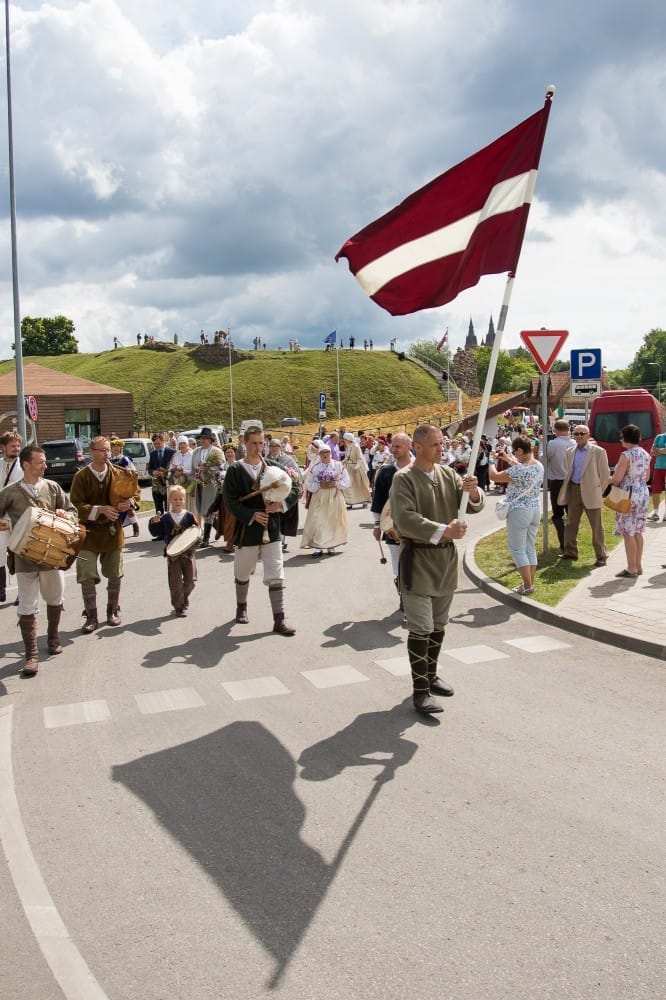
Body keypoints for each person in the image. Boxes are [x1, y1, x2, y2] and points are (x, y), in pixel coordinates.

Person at [389, 424, 484, 715]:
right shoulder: (403, 479)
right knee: (421, 627)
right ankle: (420, 691)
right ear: (417, 447)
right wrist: (445, 530)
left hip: (445, 562)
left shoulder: (448, 474)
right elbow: (405, 520)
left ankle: (430, 675)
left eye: (442, 443)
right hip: (417, 561)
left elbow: (472, 505)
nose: (441, 448)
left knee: (439, 625)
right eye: (434, 444)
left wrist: (475, 491)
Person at [0, 445, 78, 674]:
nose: (45, 465)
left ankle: (53, 639)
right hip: (24, 557)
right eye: (40, 462)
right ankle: (31, 655)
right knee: (26, 603)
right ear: (26, 464)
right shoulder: (10, 492)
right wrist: (8, 526)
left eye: (44, 462)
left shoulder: (52, 488)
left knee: (55, 598)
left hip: (52, 555)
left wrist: (66, 514)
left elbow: (72, 511)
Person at [222, 425, 300, 635]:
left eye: (261, 443)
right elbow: (229, 501)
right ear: (245, 444)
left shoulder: (272, 467)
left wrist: (280, 505)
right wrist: (251, 515)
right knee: (243, 570)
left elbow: (294, 487)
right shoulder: (235, 470)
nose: (258, 447)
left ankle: (279, 620)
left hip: (271, 527)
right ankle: (241, 606)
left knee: (276, 571)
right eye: (254, 443)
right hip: (247, 529)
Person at [70, 436, 141, 632]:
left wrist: (130, 504)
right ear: (91, 451)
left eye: (108, 450)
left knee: (115, 573)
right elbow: (75, 506)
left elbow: (135, 493)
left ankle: (112, 611)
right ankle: (91, 616)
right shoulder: (81, 476)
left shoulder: (119, 473)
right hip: (87, 534)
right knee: (86, 574)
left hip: (112, 532)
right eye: (102, 450)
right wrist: (100, 509)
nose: (106, 454)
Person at [489, 435, 544, 595]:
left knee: (518, 550)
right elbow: (519, 467)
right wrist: (508, 458)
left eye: (515, 451)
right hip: (534, 508)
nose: (515, 454)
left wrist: (492, 461)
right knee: (529, 548)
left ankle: (527, 586)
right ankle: (529, 584)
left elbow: (494, 476)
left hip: (519, 511)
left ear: (520, 450)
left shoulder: (519, 469)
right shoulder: (538, 465)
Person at [557, 425, 610, 567]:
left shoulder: (598, 452)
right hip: (574, 490)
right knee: (571, 523)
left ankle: (601, 555)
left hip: (592, 492)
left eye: (582, 433)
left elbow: (605, 476)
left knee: (596, 526)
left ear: (588, 435)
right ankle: (570, 551)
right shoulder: (570, 451)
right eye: (576, 434)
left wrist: (599, 491)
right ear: (573, 435)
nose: (579, 436)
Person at [371, 432, 413, 601]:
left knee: (416, 562)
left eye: (397, 446)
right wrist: (376, 526)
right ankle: (404, 595)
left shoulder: (419, 468)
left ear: (409, 447)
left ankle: (415, 595)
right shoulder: (386, 472)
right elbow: (379, 500)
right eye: (392, 446)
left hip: (416, 524)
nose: (393, 449)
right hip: (392, 525)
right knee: (397, 560)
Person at [607, 424, 651, 577]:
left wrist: (607, 478)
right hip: (643, 492)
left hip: (629, 494)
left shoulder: (626, 455)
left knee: (628, 532)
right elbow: (647, 477)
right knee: (638, 530)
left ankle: (631, 568)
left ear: (625, 438)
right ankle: (638, 566)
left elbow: (617, 479)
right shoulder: (645, 454)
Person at [150, 485, 199, 616]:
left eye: (181, 499)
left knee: (191, 581)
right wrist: (154, 523)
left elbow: (196, 533)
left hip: (188, 554)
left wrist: (197, 532)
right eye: (175, 499)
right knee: (175, 582)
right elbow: (156, 532)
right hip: (173, 556)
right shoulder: (166, 518)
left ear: (184, 500)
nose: (178, 501)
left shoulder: (189, 516)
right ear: (170, 500)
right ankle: (179, 606)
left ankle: (184, 596)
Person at [300, 442, 351, 557]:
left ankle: (331, 545)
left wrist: (336, 483)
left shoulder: (338, 465)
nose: (325, 455)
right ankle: (318, 546)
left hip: (334, 496)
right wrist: (319, 485)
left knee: (333, 520)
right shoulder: (315, 467)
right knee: (318, 520)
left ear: (330, 453)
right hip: (320, 496)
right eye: (322, 453)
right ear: (319, 454)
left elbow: (347, 481)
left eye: (327, 452)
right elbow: (309, 483)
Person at [266, 438, 302, 551]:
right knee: (274, 515)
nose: (273, 448)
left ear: (280, 448)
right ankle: (275, 538)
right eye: (271, 446)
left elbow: (296, 474)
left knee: (285, 515)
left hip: (285, 491)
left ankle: (283, 538)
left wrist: (299, 486)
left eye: (276, 446)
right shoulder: (265, 460)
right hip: (271, 491)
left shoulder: (288, 459)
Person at [0, 431, 23, 602]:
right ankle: (1, 590)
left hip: (17, 517)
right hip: (0, 517)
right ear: (3, 447)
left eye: (18, 445)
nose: (16, 448)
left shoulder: (24, 466)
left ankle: (23, 592)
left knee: (19, 553)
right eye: (12, 445)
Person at [191, 428, 224, 547]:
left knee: (208, 510)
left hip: (211, 484)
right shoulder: (196, 452)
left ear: (210, 440)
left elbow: (222, 468)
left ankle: (206, 538)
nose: (203, 440)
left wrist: (208, 469)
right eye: (202, 438)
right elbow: (192, 469)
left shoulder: (217, 452)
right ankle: (220, 528)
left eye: (205, 438)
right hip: (200, 483)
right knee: (203, 511)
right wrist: (192, 485)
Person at [545, 419, 574, 553]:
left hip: (556, 481)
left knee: (557, 513)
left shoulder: (553, 443)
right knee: (571, 513)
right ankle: (571, 541)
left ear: (556, 430)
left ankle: (563, 542)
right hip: (571, 481)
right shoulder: (574, 442)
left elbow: (544, 459)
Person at [109, 438, 140, 537]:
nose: (115, 450)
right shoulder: (109, 460)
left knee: (129, 508)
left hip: (125, 488)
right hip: (113, 488)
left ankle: (135, 526)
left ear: (120, 449)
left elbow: (134, 473)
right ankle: (117, 529)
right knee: (115, 509)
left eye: (117, 448)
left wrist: (127, 472)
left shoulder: (125, 459)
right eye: (113, 448)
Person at [341, 432, 372, 508]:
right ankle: (351, 502)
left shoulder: (356, 447)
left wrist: (356, 467)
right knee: (349, 486)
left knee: (360, 485)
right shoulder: (348, 447)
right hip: (349, 468)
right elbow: (347, 458)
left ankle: (364, 501)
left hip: (356, 469)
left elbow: (360, 458)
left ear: (348, 439)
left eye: (345, 439)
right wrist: (340, 463)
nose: (344, 440)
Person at [147, 432, 175, 516]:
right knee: (158, 508)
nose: (157, 446)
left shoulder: (172, 452)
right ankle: (160, 525)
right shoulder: (153, 454)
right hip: (156, 485)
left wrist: (167, 474)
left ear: (163, 441)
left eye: (158, 443)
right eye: (155, 444)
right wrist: (153, 472)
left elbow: (176, 467)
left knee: (169, 507)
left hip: (169, 483)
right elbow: (149, 468)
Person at [167, 435, 196, 512]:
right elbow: (170, 468)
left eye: (184, 443)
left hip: (188, 482)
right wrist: (174, 472)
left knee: (188, 504)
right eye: (180, 443)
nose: (182, 445)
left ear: (187, 444)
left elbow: (195, 470)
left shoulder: (192, 455)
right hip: (177, 483)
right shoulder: (176, 455)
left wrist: (183, 472)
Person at [648, 427, 666, 520]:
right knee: (655, 491)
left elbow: (659, 451)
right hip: (658, 467)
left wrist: (657, 450)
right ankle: (655, 513)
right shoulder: (659, 437)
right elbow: (652, 452)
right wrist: (661, 450)